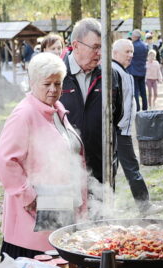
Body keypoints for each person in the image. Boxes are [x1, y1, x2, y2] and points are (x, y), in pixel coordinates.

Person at [0, 53, 87, 259]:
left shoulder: (57, 110)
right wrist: (28, 196)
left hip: (58, 206)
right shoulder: (24, 114)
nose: (53, 90)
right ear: (33, 83)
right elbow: (4, 160)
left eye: (58, 83)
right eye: (47, 84)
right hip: (33, 219)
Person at [59, 18, 123, 186]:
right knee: (70, 212)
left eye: (102, 47)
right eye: (95, 47)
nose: (100, 53)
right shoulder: (56, 75)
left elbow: (116, 115)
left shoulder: (110, 75)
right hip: (65, 169)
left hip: (102, 167)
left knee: (102, 212)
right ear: (76, 45)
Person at [111, 39, 163, 215]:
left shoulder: (122, 71)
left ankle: (111, 208)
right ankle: (144, 206)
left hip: (122, 130)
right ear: (115, 53)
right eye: (127, 51)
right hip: (117, 131)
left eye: (132, 51)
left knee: (121, 169)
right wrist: (117, 126)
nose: (131, 55)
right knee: (129, 168)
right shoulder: (113, 72)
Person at [127, 29, 148, 111]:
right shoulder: (144, 45)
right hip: (142, 70)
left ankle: (137, 108)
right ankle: (145, 107)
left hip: (133, 70)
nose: (131, 37)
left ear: (135, 36)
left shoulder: (133, 46)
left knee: (135, 90)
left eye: (132, 35)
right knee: (143, 90)